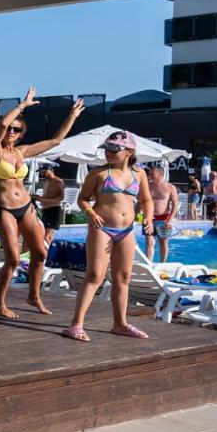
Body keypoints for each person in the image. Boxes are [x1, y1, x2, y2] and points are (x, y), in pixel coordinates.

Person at [0, 89, 84, 319]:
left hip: (26, 207)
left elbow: (56, 140)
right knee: (13, 258)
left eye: (16, 129)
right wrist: (23, 105)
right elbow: (1, 124)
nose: (11, 131)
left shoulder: (22, 151)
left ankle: (34, 296)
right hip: (5, 208)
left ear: (21, 134)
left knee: (40, 252)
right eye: (10, 128)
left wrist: (72, 116)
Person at [64, 131, 154, 341]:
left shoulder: (138, 174)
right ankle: (75, 324)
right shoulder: (99, 173)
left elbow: (147, 200)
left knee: (123, 278)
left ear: (129, 151)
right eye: (107, 149)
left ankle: (120, 324)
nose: (108, 153)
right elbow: (83, 199)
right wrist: (91, 213)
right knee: (95, 275)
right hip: (102, 228)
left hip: (126, 231)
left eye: (114, 149)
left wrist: (148, 218)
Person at [144, 164, 179, 264]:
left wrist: (170, 220)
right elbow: (140, 202)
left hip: (163, 218)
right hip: (149, 218)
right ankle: (149, 265)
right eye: (149, 173)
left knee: (163, 242)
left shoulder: (170, 187)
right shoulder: (147, 186)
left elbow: (175, 205)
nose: (150, 175)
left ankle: (162, 264)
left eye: (152, 173)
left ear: (161, 174)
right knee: (149, 243)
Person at [35, 166, 67, 250]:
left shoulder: (58, 181)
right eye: (41, 172)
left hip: (54, 210)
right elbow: (47, 196)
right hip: (46, 210)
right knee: (46, 237)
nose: (42, 174)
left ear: (52, 170)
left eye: (44, 171)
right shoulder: (47, 182)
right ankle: (49, 255)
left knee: (46, 237)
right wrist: (37, 197)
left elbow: (61, 198)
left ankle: (46, 257)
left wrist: (41, 199)